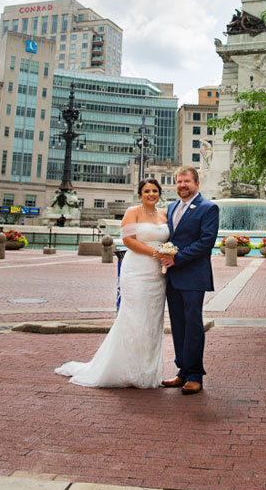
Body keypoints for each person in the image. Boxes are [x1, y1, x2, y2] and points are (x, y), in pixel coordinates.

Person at [54, 178, 169, 388]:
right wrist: (156, 252)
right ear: (140, 194)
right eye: (146, 191)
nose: (151, 194)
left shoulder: (164, 214)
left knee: (153, 321)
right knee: (134, 319)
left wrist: (167, 253)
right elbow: (128, 241)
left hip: (157, 275)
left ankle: (148, 371)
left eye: (154, 191)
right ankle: (128, 370)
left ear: (159, 193)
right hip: (136, 271)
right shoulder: (132, 212)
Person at [158, 166, 220, 395]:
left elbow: (207, 242)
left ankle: (195, 375)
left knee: (193, 324)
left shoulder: (209, 208)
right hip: (172, 277)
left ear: (196, 184)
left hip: (193, 276)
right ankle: (182, 371)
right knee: (177, 324)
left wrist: (178, 258)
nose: (183, 185)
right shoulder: (172, 206)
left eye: (187, 181)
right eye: (179, 181)